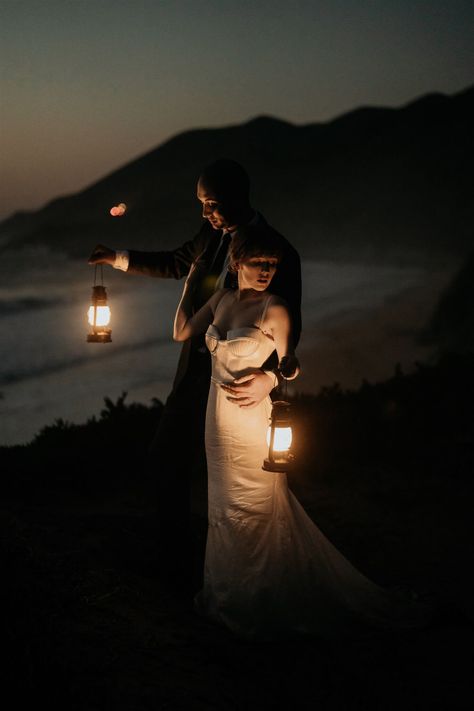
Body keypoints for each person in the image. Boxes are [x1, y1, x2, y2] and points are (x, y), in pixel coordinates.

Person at [173, 227, 434, 640]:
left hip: (251, 422)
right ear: (237, 262)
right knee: (222, 510)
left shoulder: (274, 309)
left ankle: (263, 599)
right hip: (216, 422)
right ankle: (228, 596)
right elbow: (182, 332)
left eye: (273, 265)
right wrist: (190, 281)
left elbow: (292, 362)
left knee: (257, 508)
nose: (267, 272)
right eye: (259, 263)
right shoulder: (221, 300)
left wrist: (269, 379)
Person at [88, 159, 302, 591]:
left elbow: (289, 326)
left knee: (239, 483)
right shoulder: (210, 236)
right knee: (166, 460)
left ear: (238, 199)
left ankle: (244, 572)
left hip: (243, 388)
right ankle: (175, 565)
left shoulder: (279, 253)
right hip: (194, 377)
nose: (206, 214)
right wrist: (117, 258)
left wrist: (271, 380)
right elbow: (176, 263)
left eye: (212, 204)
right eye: (202, 205)